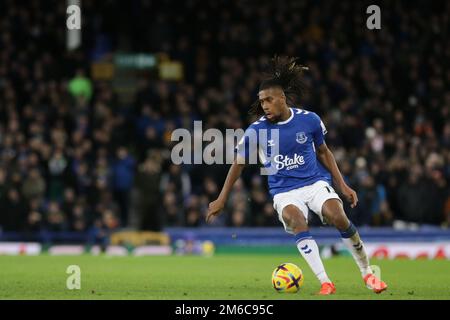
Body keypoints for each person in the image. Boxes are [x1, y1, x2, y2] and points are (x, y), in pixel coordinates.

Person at [206, 56, 387, 295]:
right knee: (296, 219)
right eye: (261, 101)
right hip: (283, 191)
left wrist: (342, 184)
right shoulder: (256, 130)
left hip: (314, 183)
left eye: (269, 100)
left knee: (338, 215)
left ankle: (368, 274)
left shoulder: (309, 120)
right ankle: (326, 282)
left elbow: (324, 152)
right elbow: (237, 165)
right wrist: (222, 199)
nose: (265, 106)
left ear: (282, 98)